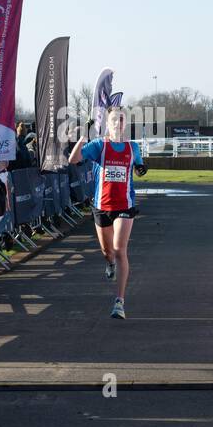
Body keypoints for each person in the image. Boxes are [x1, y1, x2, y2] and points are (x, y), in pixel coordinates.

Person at [68, 105, 147, 319]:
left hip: (125, 205)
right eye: (114, 119)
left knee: (120, 249)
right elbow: (73, 160)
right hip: (102, 206)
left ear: (126, 123)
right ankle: (109, 263)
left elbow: (139, 166)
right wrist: (83, 137)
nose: (118, 123)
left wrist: (141, 168)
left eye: (121, 119)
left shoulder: (133, 147)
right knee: (108, 251)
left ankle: (119, 302)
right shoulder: (99, 146)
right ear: (107, 123)